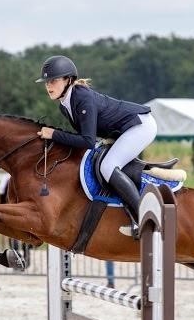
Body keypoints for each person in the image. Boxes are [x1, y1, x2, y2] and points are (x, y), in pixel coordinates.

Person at [35, 55, 156, 237]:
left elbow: (87, 142)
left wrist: (53, 134)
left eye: (53, 80)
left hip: (140, 125)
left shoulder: (82, 98)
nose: (48, 85)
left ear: (69, 80)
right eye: (46, 82)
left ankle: (145, 218)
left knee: (108, 166)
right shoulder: (65, 104)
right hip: (124, 129)